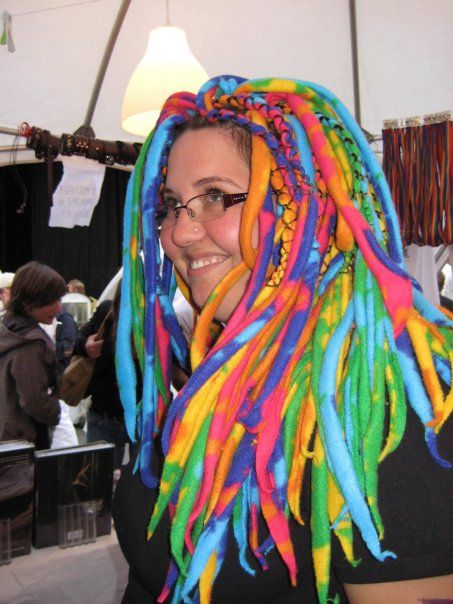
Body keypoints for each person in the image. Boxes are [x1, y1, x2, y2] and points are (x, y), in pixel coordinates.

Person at [112, 76, 453, 603]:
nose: (179, 232)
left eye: (216, 197)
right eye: (172, 206)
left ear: (305, 203)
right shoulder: (229, 364)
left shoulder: (378, 395)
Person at [0, 261, 66, 449]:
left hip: (8, 436)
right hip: (24, 440)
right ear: (30, 301)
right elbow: (34, 402)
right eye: (52, 301)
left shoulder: (8, 328)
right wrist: (55, 409)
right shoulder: (30, 343)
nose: (58, 307)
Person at [73, 282, 127, 469]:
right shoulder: (107, 311)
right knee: (99, 477)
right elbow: (76, 341)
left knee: (141, 485)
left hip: (142, 419)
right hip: (104, 415)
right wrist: (85, 346)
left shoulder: (155, 320)